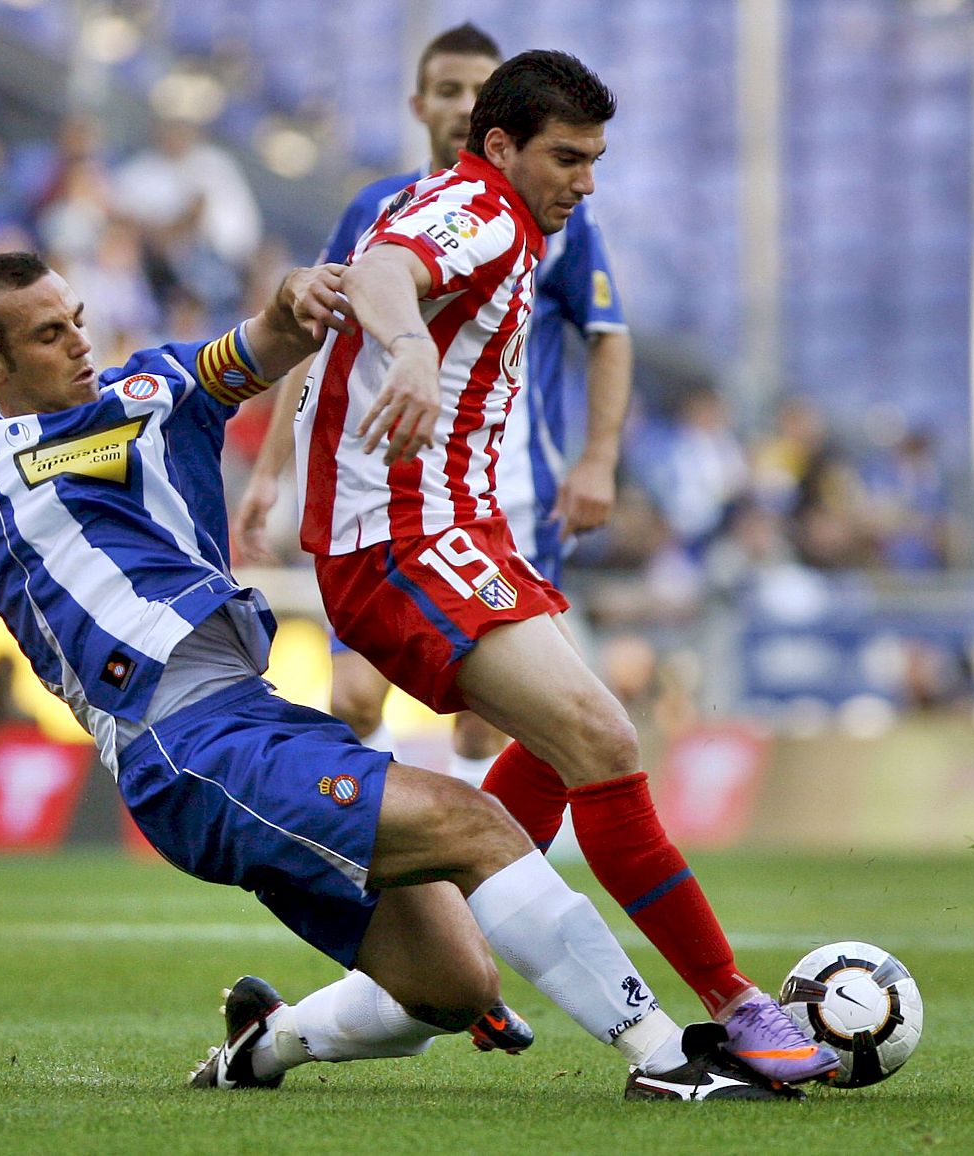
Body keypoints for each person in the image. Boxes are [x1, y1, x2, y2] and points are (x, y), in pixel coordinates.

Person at [0, 251, 795, 1101]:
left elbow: (262, 339)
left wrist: (297, 299)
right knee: (474, 824)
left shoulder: (155, 387)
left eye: (77, 319)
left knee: (455, 990)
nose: (78, 342)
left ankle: (265, 1043)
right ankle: (666, 1054)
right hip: (181, 741)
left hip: (250, 717)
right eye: (46, 334)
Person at [292, 50, 837, 1085]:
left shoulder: (498, 212)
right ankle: (730, 1008)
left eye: (595, 161)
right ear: (500, 146)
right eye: (567, 159)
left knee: (557, 747)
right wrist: (408, 347)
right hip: (402, 541)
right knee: (602, 735)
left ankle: (436, 953)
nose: (585, 183)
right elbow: (383, 273)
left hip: (459, 532)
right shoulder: (481, 211)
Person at [237, 22, 634, 796]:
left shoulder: (558, 212)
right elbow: (320, 330)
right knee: (355, 697)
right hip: (383, 497)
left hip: (505, 493)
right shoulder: (381, 207)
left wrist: (597, 458)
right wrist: (269, 471)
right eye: (448, 90)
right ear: (419, 105)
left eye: (478, 89)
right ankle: (412, 843)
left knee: (500, 720)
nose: (462, 105)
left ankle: (481, 856)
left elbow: (608, 335)